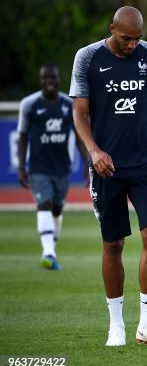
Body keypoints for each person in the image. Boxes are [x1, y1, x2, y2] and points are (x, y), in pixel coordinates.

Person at [69, 6, 147, 348]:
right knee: (114, 243)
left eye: (137, 39)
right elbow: (79, 112)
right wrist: (94, 152)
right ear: (112, 30)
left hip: (145, 163)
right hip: (106, 166)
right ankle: (115, 325)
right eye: (125, 38)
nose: (132, 44)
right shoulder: (87, 58)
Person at [17, 63, 88, 270]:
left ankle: (51, 251)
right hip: (38, 167)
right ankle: (48, 252)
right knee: (44, 204)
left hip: (62, 167)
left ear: (58, 79)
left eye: (52, 78)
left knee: (57, 208)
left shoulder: (69, 104)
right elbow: (22, 137)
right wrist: (22, 167)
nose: (48, 82)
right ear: (41, 81)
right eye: (44, 78)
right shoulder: (29, 104)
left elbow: (79, 137)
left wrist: (87, 164)